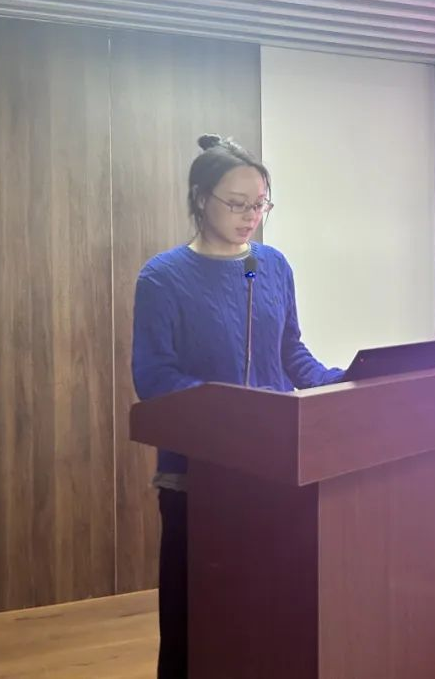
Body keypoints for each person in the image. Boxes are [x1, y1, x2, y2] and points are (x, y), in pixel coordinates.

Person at [131, 133, 342, 679]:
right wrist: (234, 412)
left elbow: (291, 354)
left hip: (277, 468)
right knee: (198, 620)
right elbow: (154, 377)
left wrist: (342, 383)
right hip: (199, 478)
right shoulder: (163, 277)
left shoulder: (272, 266)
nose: (251, 217)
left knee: (272, 612)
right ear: (201, 198)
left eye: (261, 205)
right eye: (237, 203)